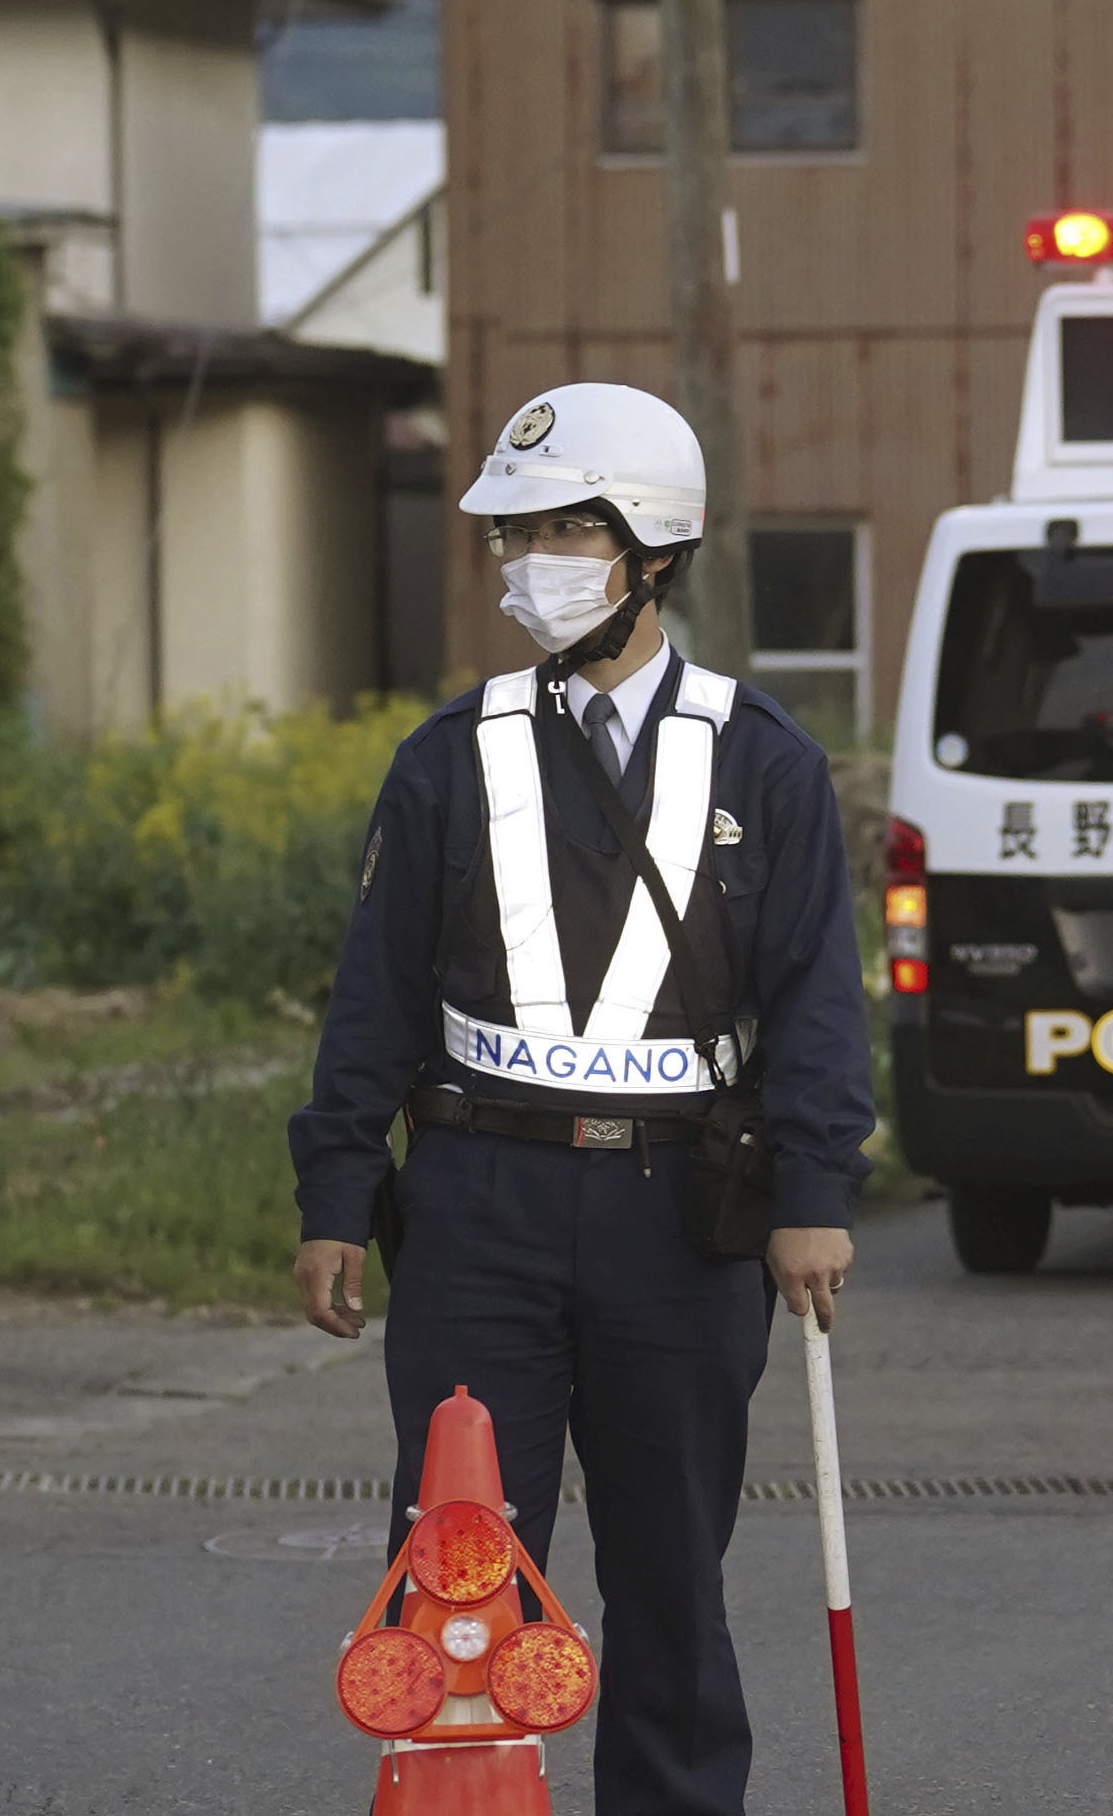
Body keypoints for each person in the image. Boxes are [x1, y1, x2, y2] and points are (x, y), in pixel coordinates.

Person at [289, 381, 870, 1816]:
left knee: (672, 1569)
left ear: (650, 550)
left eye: (563, 530)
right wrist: (334, 1196)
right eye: (515, 532)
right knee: (457, 1559)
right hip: (478, 1203)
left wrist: (813, 1197)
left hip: (682, 1217)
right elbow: (372, 996)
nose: (526, 561)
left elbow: (814, 998)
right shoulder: (449, 756)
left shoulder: (765, 760)